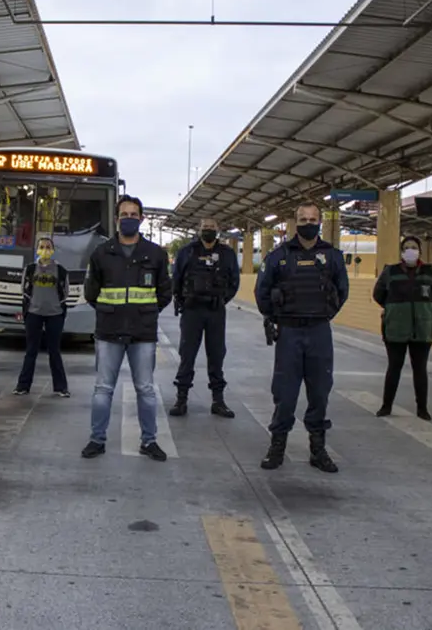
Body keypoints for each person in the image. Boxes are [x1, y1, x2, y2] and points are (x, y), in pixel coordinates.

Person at [254, 202, 349, 473]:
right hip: (289, 332)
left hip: (319, 331)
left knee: (320, 391)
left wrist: (324, 314)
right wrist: (277, 317)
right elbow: (262, 292)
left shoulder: (332, 257)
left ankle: (318, 450)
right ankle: (277, 447)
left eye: (313, 218)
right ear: (295, 222)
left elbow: (342, 291)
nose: (309, 222)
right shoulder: (278, 256)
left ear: (321, 221)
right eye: (303, 218)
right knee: (285, 393)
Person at [81, 195, 173, 462]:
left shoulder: (155, 254)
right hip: (109, 331)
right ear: (116, 219)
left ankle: (149, 441)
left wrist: (147, 313)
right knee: (103, 389)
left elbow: (165, 291)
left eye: (134, 215)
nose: (129, 219)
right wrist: (110, 312)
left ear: (141, 219)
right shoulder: (102, 253)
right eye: (125, 215)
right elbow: (91, 292)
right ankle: (97, 440)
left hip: (142, 333)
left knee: (145, 389)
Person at [169, 217, 239, 418]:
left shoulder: (227, 254)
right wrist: (183, 302)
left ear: (218, 230)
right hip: (192, 311)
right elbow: (177, 279)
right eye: (204, 227)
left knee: (216, 355)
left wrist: (221, 300)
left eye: (211, 227)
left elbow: (234, 281)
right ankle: (181, 399)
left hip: (216, 311)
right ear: (199, 230)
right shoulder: (187, 252)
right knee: (187, 355)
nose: (208, 230)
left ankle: (218, 401)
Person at [372, 236, 432, 421]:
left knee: (419, 369)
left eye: (414, 247)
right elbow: (378, 294)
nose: (410, 250)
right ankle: (386, 406)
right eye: (407, 247)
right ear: (401, 252)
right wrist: (394, 310)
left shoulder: (431, 272)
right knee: (394, 367)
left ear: (420, 250)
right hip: (395, 328)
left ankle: (422, 408)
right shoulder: (391, 271)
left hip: (422, 328)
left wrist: (425, 308)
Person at [14, 236, 71, 397]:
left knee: (54, 350)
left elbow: (65, 292)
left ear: (53, 250)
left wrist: (56, 304)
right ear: (37, 249)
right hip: (34, 313)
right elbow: (24, 289)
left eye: (48, 247)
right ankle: (22, 386)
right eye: (42, 246)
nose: (45, 250)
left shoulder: (60, 270)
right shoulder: (31, 269)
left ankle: (61, 387)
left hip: (55, 314)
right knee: (31, 350)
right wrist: (32, 304)